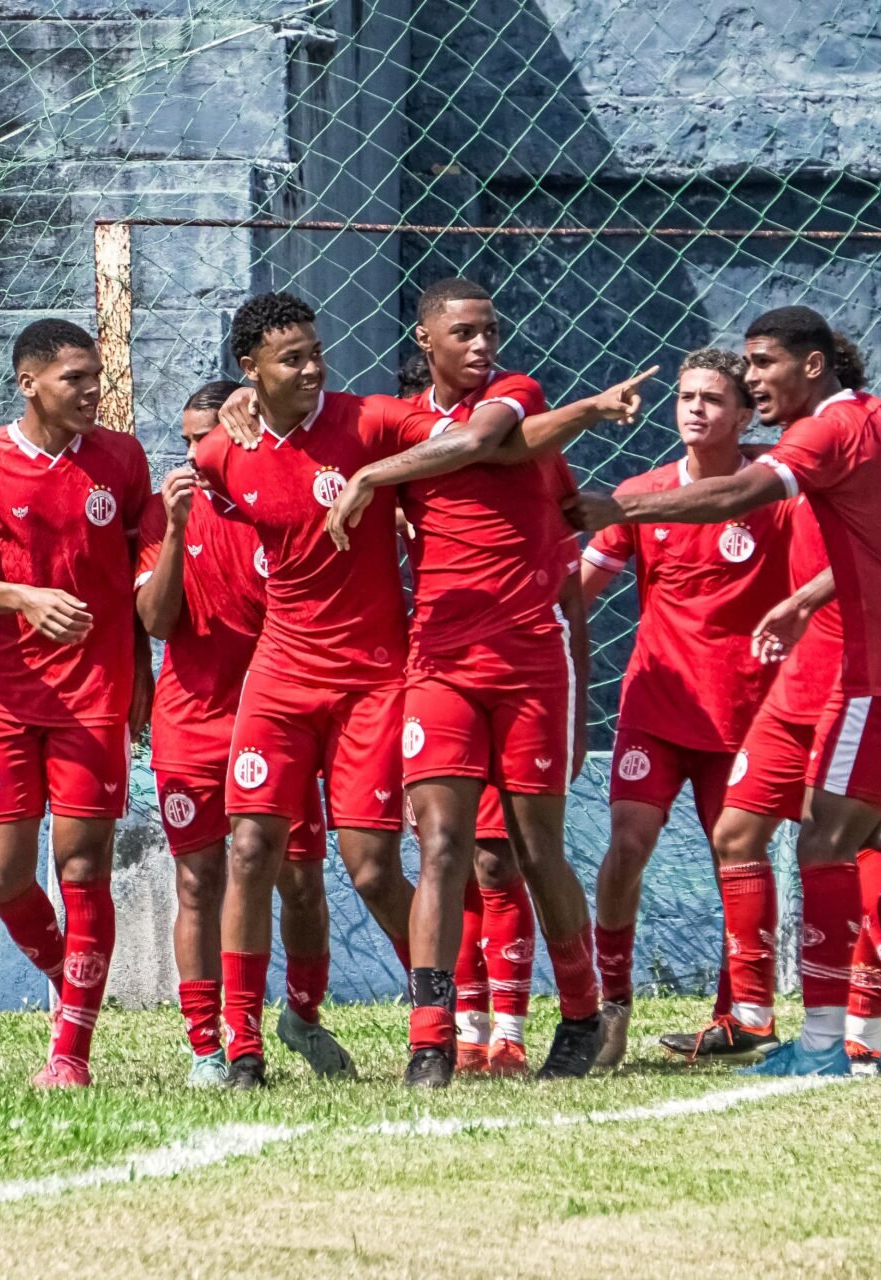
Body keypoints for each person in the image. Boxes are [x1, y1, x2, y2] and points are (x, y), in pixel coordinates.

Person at [199, 291, 644, 1088]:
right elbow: (223, 466)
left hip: (444, 668)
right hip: (379, 663)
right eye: (290, 357)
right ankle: (381, 1041)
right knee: (380, 847)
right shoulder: (239, 450)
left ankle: (573, 1013)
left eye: (490, 332)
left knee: (485, 855)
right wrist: (240, 404)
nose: (311, 366)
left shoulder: (405, 418)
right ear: (426, 339)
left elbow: (490, 445)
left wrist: (373, 475)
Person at [576, 306, 881, 1077]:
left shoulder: (814, 444)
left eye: (759, 366)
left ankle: (830, 1036)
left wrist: (614, 505)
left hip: (866, 673)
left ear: (813, 366)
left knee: (827, 843)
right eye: (740, 372)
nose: (749, 381)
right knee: (790, 838)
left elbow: (735, 495)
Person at [0, 318, 152, 1090]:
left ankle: (71, 1055)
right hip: (4, 698)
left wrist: (141, 682)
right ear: (29, 383)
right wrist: (22, 596)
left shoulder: (121, 460)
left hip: (94, 697)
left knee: (83, 867)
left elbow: (139, 576)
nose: (92, 391)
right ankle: (68, 974)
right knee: (5, 877)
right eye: (74, 379)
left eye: (97, 378)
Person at [577, 348, 795, 1070]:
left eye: (711, 398)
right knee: (627, 845)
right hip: (658, 706)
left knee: (737, 851)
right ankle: (612, 1008)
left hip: (744, 713)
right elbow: (576, 591)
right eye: (685, 396)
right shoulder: (640, 495)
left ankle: (741, 1014)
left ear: (742, 413)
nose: (694, 409)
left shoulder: (774, 492)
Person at [135, 379, 354, 1087]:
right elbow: (158, 622)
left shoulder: (288, 501)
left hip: (283, 721)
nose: (198, 454)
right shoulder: (161, 514)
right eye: (189, 440)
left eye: (211, 437)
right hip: (192, 724)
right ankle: (211, 1045)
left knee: (301, 884)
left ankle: (302, 1013)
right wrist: (173, 532)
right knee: (199, 882)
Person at [397, 351, 542, 1078]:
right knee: (444, 857)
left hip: (519, 672)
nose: (484, 345)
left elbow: (569, 565)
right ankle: (462, 1028)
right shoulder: (401, 462)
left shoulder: (515, 421)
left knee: (500, 857)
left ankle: (512, 1030)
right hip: (433, 677)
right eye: (466, 332)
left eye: (490, 330)